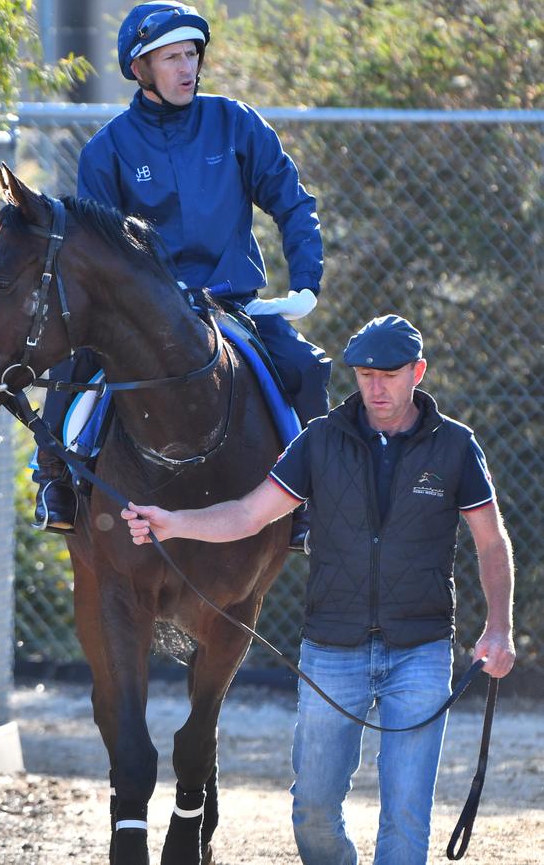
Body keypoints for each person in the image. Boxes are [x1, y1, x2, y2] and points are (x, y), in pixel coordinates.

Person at [120, 314, 516, 865]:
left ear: (418, 372)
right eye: (364, 374)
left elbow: (491, 542)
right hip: (333, 650)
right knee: (312, 810)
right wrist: (174, 522)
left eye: (390, 374)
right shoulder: (319, 441)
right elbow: (247, 514)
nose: (376, 388)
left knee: (406, 816)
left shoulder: (455, 446)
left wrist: (499, 628)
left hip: (421, 651)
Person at [32, 1, 331, 548]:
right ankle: (54, 479)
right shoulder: (107, 150)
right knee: (74, 361)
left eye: (191, 54)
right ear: (139, 68)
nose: (185, 67)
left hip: (231, 307)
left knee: (306, 369)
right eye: (170, 57)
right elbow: (101, 253)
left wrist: (306, 282)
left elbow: (292, 201)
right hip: (143, 314)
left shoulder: (235, 123)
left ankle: (313, 499)